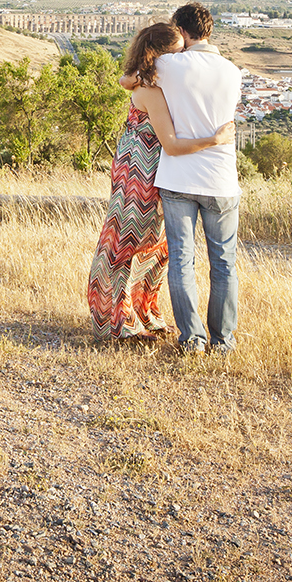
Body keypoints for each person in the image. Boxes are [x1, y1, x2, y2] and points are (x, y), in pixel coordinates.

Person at [88, 22, 235, 343]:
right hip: (143, 170)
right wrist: (216, 139)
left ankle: (146, 313)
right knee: (129, 242)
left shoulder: (149, 81)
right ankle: (118, 322)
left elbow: (126, 79)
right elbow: (170, 143)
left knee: (158, 246)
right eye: (180, 53)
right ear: (163, 56)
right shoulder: (152, 91)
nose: (185, 60)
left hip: (153, 167)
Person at [152, 2, 243, 357]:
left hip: (177, 177)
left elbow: (129, 78)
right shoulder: (232, 71)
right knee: (223, 263)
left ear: (182, 32)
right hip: (220, 177)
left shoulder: (168, 65)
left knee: (182, 260)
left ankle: (192, 339)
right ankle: (223, 342)